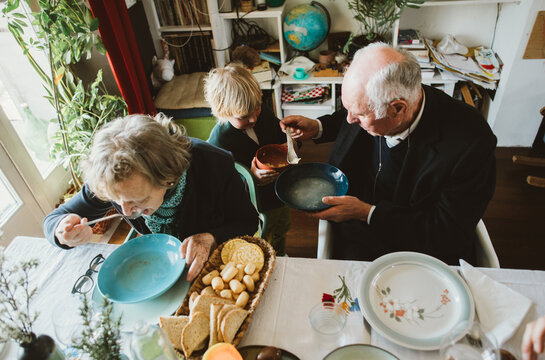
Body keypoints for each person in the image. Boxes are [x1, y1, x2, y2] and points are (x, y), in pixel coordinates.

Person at [281, 42, 497, 265]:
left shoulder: (472, 144)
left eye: (360, 116)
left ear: (398, 109)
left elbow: (445, 232)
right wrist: (318, 127)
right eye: (349, 110)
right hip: (357, 224)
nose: (349, 120)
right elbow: (354, 112)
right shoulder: (386, 99)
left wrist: (367, 213)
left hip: (415, 247)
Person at [43, 113, 258, 281]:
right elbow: (53, 220)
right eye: (117, 202)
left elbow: (248, 222)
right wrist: (62, 230)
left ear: (167, 176)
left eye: (138, 201)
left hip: (215, 266)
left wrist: (211, 237)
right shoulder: (112, 178)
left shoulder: (213, 164)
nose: (126, 212)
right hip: (161, 268)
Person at [205, 63, 291, 255]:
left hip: (279, 192)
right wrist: (251, 179)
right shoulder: (219, 142)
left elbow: (279, 135)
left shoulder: (262, 115)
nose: (253, 119)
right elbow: (219, 185)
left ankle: (280, 252)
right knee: (262, 236)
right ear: (223, 112)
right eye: (244, 117)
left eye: (257, 109)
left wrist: (289, 141)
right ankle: (268, 257)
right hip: (253, 204)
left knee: (281, 227)